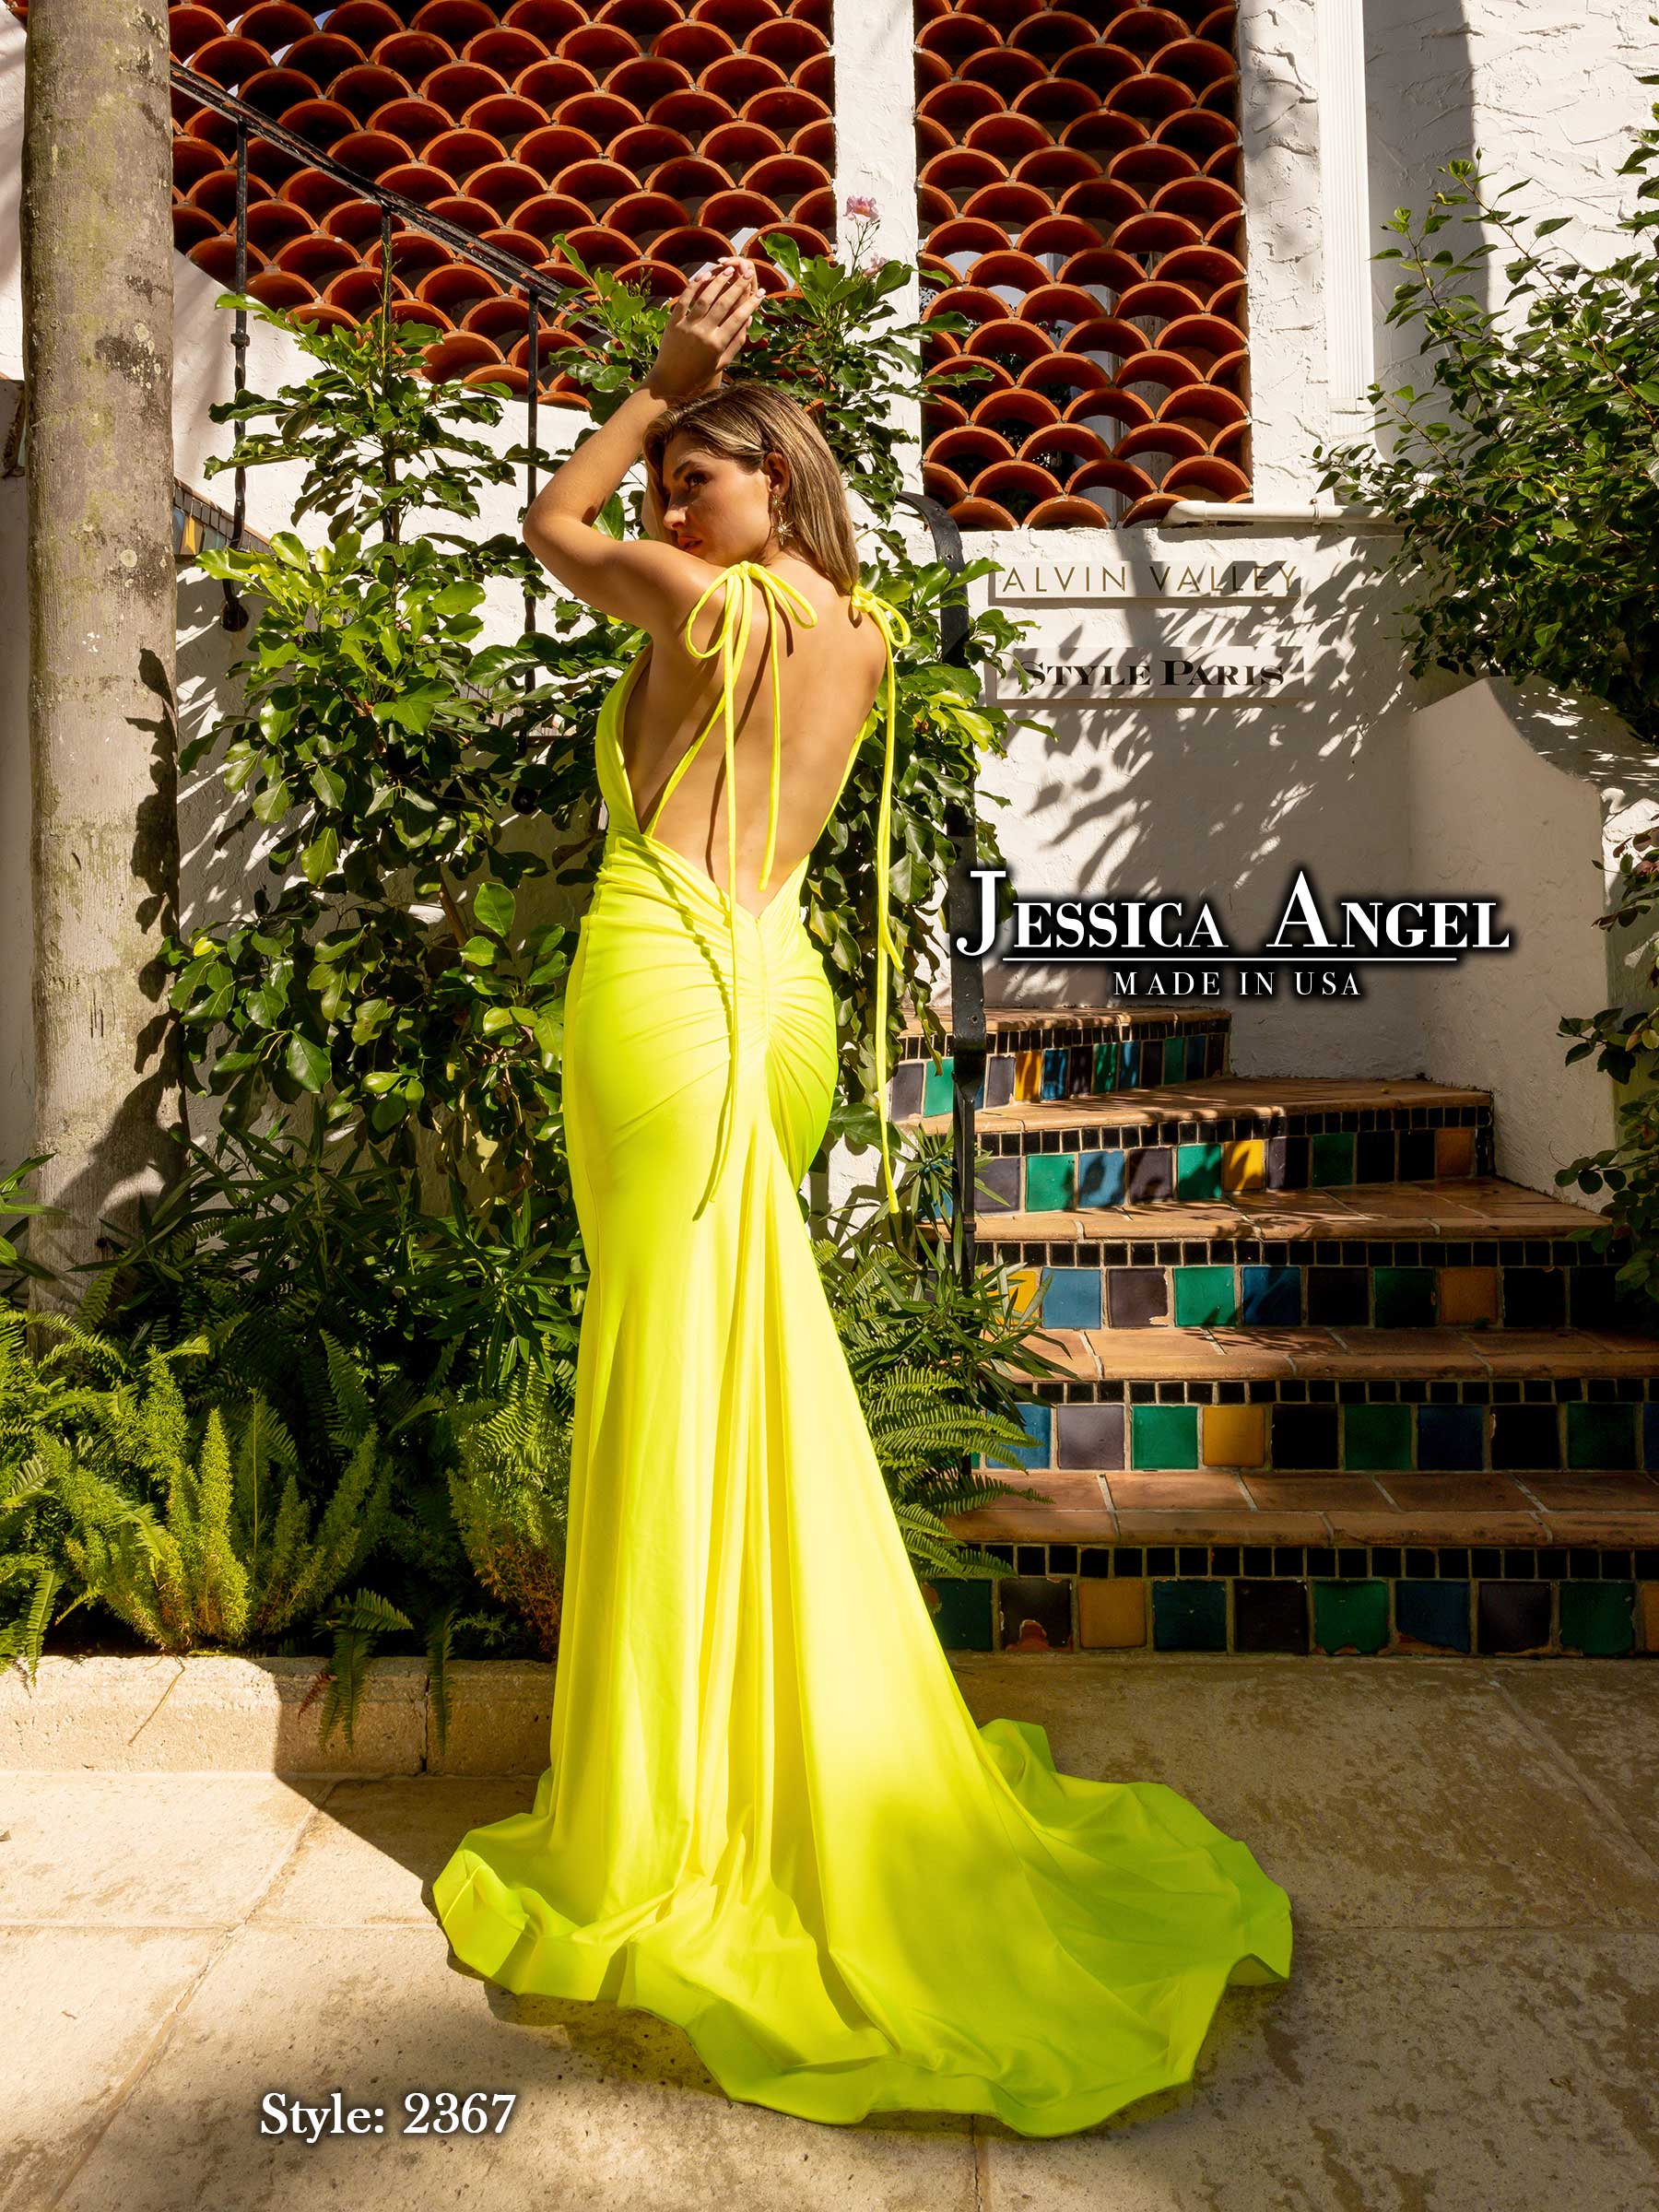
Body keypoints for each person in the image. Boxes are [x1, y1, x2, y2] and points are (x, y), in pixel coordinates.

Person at [431, 259, 1293, 2134]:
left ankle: (681, 1798)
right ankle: (744, 1739)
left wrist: (654, 384)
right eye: (675, 487)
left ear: (778, 482)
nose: (674, 509)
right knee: (739, 1364)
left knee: (674, 1364)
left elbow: (551, 523)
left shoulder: (706, 601)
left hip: (668, 984)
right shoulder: (865, 632)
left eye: (705, 480)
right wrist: (693, 416)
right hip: (781, 993)